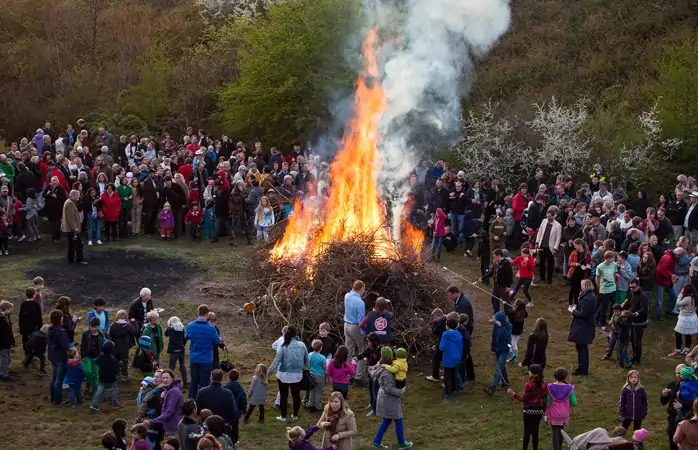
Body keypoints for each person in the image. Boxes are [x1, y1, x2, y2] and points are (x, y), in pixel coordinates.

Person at [369, 347, 413, 449]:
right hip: (389, 399)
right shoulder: (387, 372)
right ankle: (402, 443)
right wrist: (400, 391)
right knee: (398, 418)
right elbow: (389, 389)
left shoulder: (380, 365)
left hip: (384, 397)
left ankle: (376, 442)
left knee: (387, 420)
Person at [269, 326, 309, 422]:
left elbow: (276, 361)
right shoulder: (302, 345)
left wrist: (269, 372)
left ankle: (283, 416)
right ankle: (295, 415)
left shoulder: (283, 345)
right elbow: (307, 360)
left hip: (283, 375)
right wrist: (309, 369)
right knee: (296, 396)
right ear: (296, 334)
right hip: (297, 375)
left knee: (283, 396)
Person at [507, 364, 547, 450]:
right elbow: (545, 399)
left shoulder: (529, 385)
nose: (528, 372)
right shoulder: (544, 384)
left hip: (528, 412)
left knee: (527, 432)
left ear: (534, 374)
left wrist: (513, 394)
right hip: (539, 412)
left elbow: (524, 399)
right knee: (535, 432)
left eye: (530, 371)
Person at [185, 304, 221, 399]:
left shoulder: (190, 326)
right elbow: (217, 341)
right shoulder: (211, 328)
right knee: (204, 382)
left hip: (194, 358)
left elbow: (186, 336)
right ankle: (203, 401)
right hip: (206, 359)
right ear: (207, 314)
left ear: (198, 312)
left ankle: (191, 401)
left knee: (194, 381)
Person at [195, 369, 238, 439]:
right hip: (222, 428)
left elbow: (197, 410)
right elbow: (233, 412)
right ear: (222, 379)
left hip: (206, 428)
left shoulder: (202, 392)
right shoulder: (228, 394)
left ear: (211, 378)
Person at [568, 279, 597, 376]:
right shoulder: (588, 296)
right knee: (581, 347)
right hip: (583, 325)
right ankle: (581, 368)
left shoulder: (589, 298)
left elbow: (583, 313)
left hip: (584, 326)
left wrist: (573, 311)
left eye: (582, 285)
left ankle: (583, 370)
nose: (581, 287)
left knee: (582, 348)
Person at [145, 369, 184, 438]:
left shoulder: (173, 391)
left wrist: (152, 421)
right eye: (163, 378)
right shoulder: (168, 390)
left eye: (167, 378)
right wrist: (162, 399)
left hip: (173, 426)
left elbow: (169, 411)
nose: (165, 380)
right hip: (170, 425)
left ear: (172, 378)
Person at [546, 367, 577, 450]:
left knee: (554, 432)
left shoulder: (550, 387)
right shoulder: (569, 388)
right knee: (561, 431)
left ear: (555, 376)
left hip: (553, 414)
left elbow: (548, 402)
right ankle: (559, 447)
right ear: (565, 377)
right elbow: (574, 402)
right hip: (564, 414)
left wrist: (545, 412)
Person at [343, 280, 366, 386]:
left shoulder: (347, 296)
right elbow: (361, 321)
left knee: (349, 351)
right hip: (355, 326)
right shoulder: (360, 303)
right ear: (361, 289)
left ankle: (348, 375)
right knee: (363, 350)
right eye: (363, 289)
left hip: (346, 325)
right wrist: (364, 333)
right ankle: (359, 377)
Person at [621, 279, 649, 364]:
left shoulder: (643, 296)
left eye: (633, 287)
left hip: (640, 322)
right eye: (630, 287)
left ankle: (637, 358)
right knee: (633, 339)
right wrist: (621, 307)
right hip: (632, 321)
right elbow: (628, 303)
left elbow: (644, 309)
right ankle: (635, 356)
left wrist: (635, 313)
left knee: (637, 340)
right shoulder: (632, 294)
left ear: (638, 286)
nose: (631, 289)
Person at [90, 340, 124, 411]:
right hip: (111, 379)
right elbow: (116, 370)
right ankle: (115, 403)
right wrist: (120, 365)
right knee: (114, 390)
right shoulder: (113, 360)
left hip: (102, 377)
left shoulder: (101, 356)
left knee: (100, 390)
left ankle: (94, 404)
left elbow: (97, 362)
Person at [485, 311, 512, 396]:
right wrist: (493, 348)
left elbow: (502, 336)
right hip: (497, 349)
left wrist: (500, 327)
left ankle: (492, 388)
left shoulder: (508, 327)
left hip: (504, 350)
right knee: (502, 366)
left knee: (499, 368)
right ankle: (505, 382)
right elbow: (494, 337)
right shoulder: (496, 325)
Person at [480, 248, 513, 314]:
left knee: (506, 302)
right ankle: (496, 313)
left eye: (494, 256)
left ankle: (509, 314)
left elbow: (510, 275)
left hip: (503, 286)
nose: (493, 258)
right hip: (496, 285)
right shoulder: (496, 263)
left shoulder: (506, 263)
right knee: (494, 299)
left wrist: (508, 287)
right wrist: (483, 278)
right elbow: (491, 272)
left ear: (499, 256)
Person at [662, 364, 687, 450]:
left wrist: (682, 406)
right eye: (677, 373)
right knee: (672, 441)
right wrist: (664, 395)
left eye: (681, 373)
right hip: (673, 419)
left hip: (686, 418)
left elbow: (695, 404)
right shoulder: (672, 385)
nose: (679, 375)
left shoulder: (693, 386)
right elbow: (663, 402)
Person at [47, 309, 70, 405]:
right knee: (59, 380)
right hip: (60, 357)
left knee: (54, 377)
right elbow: (65, 345)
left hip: (53, 356)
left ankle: (53, 397)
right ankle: (58, 400)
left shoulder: (50, 329)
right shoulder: (61, 331)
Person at [535, 207, 562, 284]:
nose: (548, 218)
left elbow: (558, 238)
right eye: (547, 216)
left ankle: (549, 279)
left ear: (554, 216)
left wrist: (555, 248)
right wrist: (537, 242)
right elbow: (540, 232)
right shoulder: (544, 221)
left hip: (550, 247)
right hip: (542, 245)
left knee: (550, 264)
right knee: (542, 262)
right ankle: (542, 277)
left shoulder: (558, 226)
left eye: (550, 216)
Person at [670, 284, 698, 357]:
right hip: (692, 317)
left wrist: (680, 295)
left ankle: (678, 351)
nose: (682, 289)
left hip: (685, 318)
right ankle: (686, 350)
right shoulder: (694, 297)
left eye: (683, 288)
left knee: (678, 333)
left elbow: (678, 303)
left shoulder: (687, 298)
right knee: (688, 334)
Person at [110, 310, 138, 380]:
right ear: (126, 317)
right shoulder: (128, 326)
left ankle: (115, 374)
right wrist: (134, 323)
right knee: (124, 360)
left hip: (115, 346)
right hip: (124, 347)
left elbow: (110, 336)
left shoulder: (113, 326)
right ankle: (124, 375)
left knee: (115, 360)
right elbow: (135, 331)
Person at [80, 317, 106, 395]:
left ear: (97, 327)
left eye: (94, 327)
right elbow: (82, 346)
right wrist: (83, 356)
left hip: (96, 357)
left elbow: (102, 347)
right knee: (88, 372)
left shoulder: (101, 335)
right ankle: (88, 384)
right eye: (91, 326)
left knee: (95, 373)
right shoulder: (85, 334)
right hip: (87, 356)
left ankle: (94, 388)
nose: (92, 328)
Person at [440, 317, 463, 399]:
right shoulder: (458, 334)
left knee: (447, 376)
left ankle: (448, 393)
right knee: (454, 374)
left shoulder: (445, 334)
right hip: (457, 357)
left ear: (447, 326)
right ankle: (454, 390)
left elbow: (442, 347)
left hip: (448, 358)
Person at [567, 239, 592, 311]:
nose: (575, 247)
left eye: (575, 245)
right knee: (572, 289)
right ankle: (570, 305)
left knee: (578, 290)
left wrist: (587, 266)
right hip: (574, 273)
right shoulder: (574, 253)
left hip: (582, 274)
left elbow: (589, 263)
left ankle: (575, 304)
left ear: (580, 245)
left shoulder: (587, 253)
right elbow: (569, 263)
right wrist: (575, 264)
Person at [61, 189, 85, 264]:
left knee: (72, 244)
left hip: (71, 228)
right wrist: (75, 227)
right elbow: (70, 217)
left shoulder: (70, 202)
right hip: (72, 229)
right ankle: (78, 259)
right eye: (78, 195)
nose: (79, 197)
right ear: (73, 195)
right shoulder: (70, 204)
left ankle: (71, 259)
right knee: (78, 244)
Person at [596, 250, 618, 329]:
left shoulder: (614, 265)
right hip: (604, 290)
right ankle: (602, 323)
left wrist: (615, 284)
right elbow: (597, 278)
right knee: (604, 308)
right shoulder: (600, 267)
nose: (614, 259)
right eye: (613, 258)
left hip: (613, 289)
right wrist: (599, 287)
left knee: (613, 306)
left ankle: (611, 320)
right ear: (608, 258)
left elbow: (615, 275)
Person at [18, 287, 42, 356]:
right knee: (33, 340)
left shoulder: (23, 304)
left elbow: (21, 317)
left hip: (25, 326)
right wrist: (39, 326)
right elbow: (39, 316)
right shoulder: (36, 304)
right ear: (34, 295)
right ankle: (31, 353)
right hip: (34, 327)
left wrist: (21, 327)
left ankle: (26, 352)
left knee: (25, 340)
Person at [165, 316, 188, 386]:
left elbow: (166, 334)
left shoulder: (170, 328)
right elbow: (185, 338)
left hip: (173, 351)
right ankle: (185, 382)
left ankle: (170, 382)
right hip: (181, 349)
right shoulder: (182, 328)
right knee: (182, 365)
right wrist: (182, 345)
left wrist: (169, 327)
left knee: (171, 367)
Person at [426, 308, 446, 383]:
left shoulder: (440, 322)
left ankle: (435, 376)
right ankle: (444, 373)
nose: (433, 319)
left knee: (436, 359)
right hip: (444, 344)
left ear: (438, 316)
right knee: (443, 359)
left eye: (434, 317)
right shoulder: (445, 320)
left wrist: (434, 323)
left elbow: (435, 331)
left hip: (441, 344)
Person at [307, 339, 328, 413]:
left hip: (311, 375)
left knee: (312, 390)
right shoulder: (322, 357)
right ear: (321, 347)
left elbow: (308, 365)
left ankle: (310, 404)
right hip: (320, 376)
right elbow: (325, 367)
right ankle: (317, 405)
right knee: (319, 391)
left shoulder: (309, 355)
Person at [507, 298, 528, 364]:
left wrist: (505, 304)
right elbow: (526, 315)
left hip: (514, 331)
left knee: (513, 344)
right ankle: (513, 356)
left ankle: (514, 357)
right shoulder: (523, 313)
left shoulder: (513, 314)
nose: (514, 304)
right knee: (512, 343)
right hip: (518, 331)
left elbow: (508, 312)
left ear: (517, 306)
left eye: (515, 304)